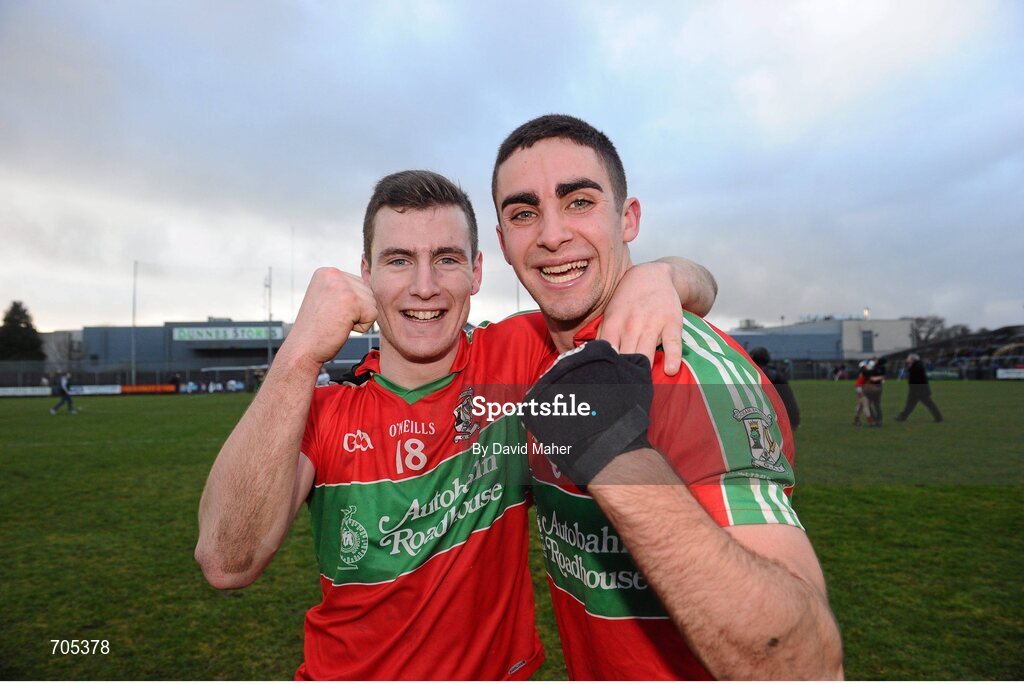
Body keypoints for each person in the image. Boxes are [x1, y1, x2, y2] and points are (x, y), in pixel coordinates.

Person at [195, 169, 717, 680]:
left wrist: (659, 274)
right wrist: (298, 356)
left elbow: (702, 287)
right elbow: (226, 563)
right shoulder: (323, 409)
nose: (425, 287)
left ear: (477, 272)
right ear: (365, 273)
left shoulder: (521, 356)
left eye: (446, 260)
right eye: (399, 261)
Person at [491, 114, 842, 679]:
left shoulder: (693, 373)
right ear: (504, 241)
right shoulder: (529, 349)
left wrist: (613, 455)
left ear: (627, 219)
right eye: (524, 213)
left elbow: (803, 663)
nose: (552, 234)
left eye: (579, 202)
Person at [750, 346, 801, 430]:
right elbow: (789, 400)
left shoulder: (750, 374)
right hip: (775, 418)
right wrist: (794, 421)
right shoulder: (776, 375)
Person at [895, 353, 943, 423]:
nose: (907, 359)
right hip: (914, 389)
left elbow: (914, 374)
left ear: (912, 359)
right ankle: (902, 417)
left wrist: (909, 368)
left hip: (920, 390)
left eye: (908, 358)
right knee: (909, 405)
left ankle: (939, 418)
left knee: (929, 404)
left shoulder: (918, 365)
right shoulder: (916, 365)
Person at [862, 358, 885, 427]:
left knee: (875, 404)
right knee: (871, 405)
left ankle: (877, 420)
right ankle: (876, 420)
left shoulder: (879, 369)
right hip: (870, 388)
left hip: (875, 388)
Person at [853, 360, 871, 426]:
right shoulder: (865, 372)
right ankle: (870, 421)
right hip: (860, 389)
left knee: (860, 405)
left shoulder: (863, 372)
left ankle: (856, 419)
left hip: (859, 388)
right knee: (865, 404)